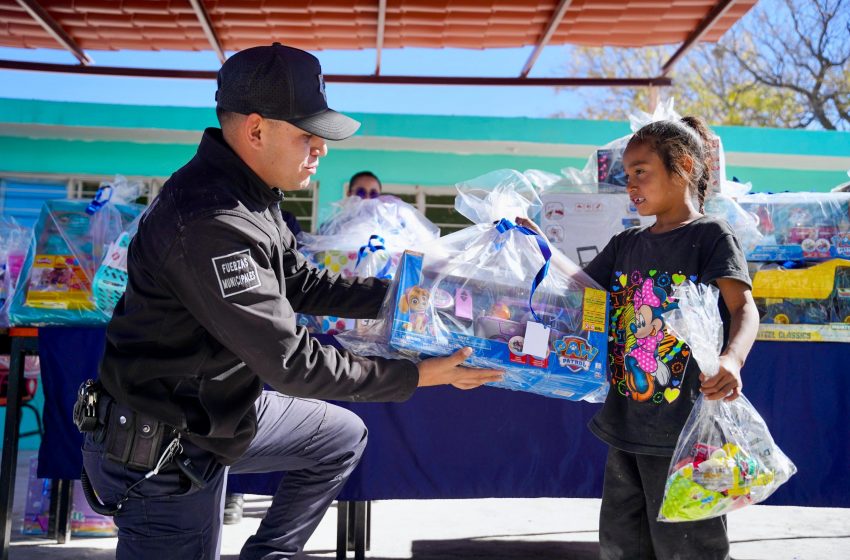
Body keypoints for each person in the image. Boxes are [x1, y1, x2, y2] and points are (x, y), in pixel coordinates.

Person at [80, 43, 502, 560]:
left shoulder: (252, 195)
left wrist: (406, 298)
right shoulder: (211, 220)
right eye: (308, 135)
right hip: (164, 450)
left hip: (217, 412)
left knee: (339, 437)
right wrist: (418, 375)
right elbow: (291, 363)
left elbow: (301, 283)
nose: (321, 149)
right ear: (256, 130)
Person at [521, 116, 759, 559]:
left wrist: (733, 359)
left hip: (687, 430)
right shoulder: (626, 242)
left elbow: (744, 308)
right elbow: (581, 293)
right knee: (621, 543)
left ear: (684, 165)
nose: (629, 183)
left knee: (689, 546)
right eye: (626, 174)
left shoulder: (711, 236)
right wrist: (541, 250)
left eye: (640, 171)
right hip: (625, 422)